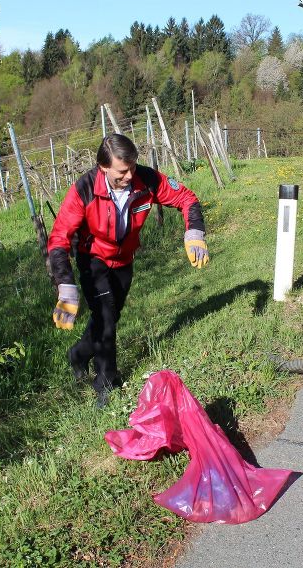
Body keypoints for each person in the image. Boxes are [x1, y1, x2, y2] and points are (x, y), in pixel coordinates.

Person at [47, 133, 208, 404]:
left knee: (109, 316)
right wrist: (66, 285)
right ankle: (106, 383)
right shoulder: (84, 189)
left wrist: (194, 232)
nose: (130, 176)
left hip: (124, 260)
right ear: (103, 168)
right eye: (122, 171)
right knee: (106, 319)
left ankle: (78, 354)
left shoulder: (147, 179)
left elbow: (187, 199)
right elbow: (59, 237)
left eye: (133, 167)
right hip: (93, 259)